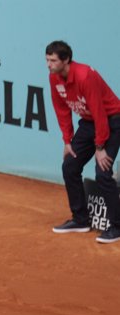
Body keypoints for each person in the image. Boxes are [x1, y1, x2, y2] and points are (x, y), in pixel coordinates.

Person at [46, 40, 120, 243]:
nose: (49, 64)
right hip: (88, 124)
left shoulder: (85, 76)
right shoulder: (54, 78)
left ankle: (117, 227)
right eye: (47, 60)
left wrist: (100, 147)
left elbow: (99, 112)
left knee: (103, 172)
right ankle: (80, 220)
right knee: (70, 165)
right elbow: (61, 110)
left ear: (66, 60)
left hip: (111, 122)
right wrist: (67, 140)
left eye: (53, 60)